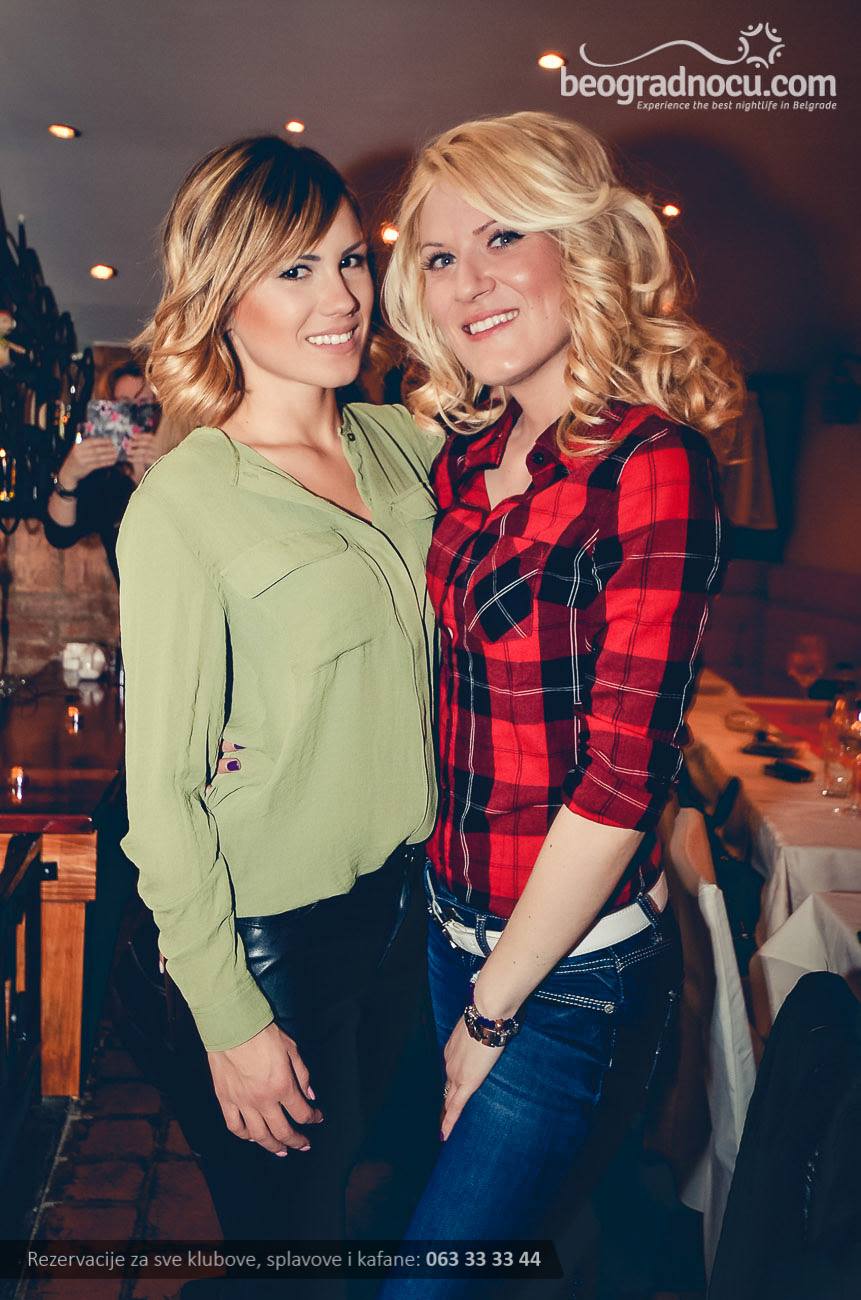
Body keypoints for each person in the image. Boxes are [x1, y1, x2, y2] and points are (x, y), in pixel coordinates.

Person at [376, 111, 744, 1295]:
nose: (468, 281)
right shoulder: (461, 457)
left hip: (567, 975)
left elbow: (624, 778)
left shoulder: (653, 462)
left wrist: (491, 1015)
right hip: (447, 931)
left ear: (577, 249)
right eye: (440, 256)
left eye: (502, 237)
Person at [116, 135, 442, 1290]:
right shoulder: (187, 499)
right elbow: (160, 795)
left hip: (414, 908)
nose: (340, 296)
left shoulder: (405, 442)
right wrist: (228, 1016)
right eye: (294, 270)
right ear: (221, 295)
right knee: (293, 1256)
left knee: (389, 1213)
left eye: (350, 260)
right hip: (273, 936)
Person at [44, 360, 159, 582]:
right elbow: (60, 535)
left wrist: (160, 471)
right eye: (124, 405)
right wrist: (68, 475)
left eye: (145, 404)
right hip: (135, 600)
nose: (134, 415)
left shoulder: (182, 453)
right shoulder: (107, 479)